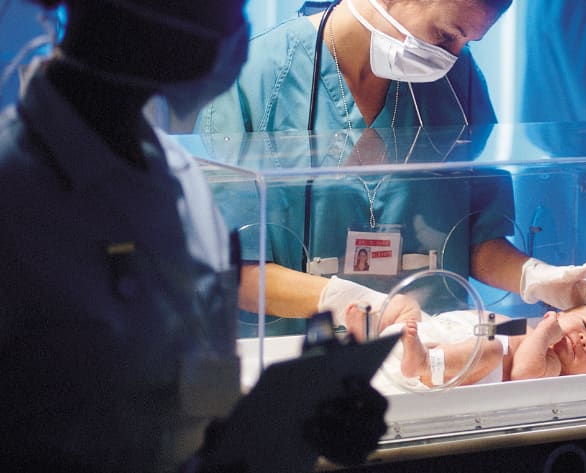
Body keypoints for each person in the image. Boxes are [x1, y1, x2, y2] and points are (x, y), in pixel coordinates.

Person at [0, 0, 386, 471]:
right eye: (227, 9)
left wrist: (302, 420)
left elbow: (181, 398)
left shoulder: (180, 175)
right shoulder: (17, 194)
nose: (240, 32)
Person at [194, 0, 586, 337]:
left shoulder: (458, 84)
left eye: (466, 43)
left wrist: (537, 278)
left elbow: (476, 235)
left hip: (430, 358)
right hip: (296, 358)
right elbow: (233, 269)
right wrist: (345, 300)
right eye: (446, 35)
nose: (451, 58)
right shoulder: (253, 78)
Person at [344, 302, 586, 389]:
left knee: (492, 349)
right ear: (560, 314)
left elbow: (522, 374)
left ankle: (422, 364)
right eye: (582, 325)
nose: (584, 339)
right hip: (441, 329)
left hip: (458, 361)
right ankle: (377, 332)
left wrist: (543, 335)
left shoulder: (552, 366)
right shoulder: (529, 326)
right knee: (409, 307)